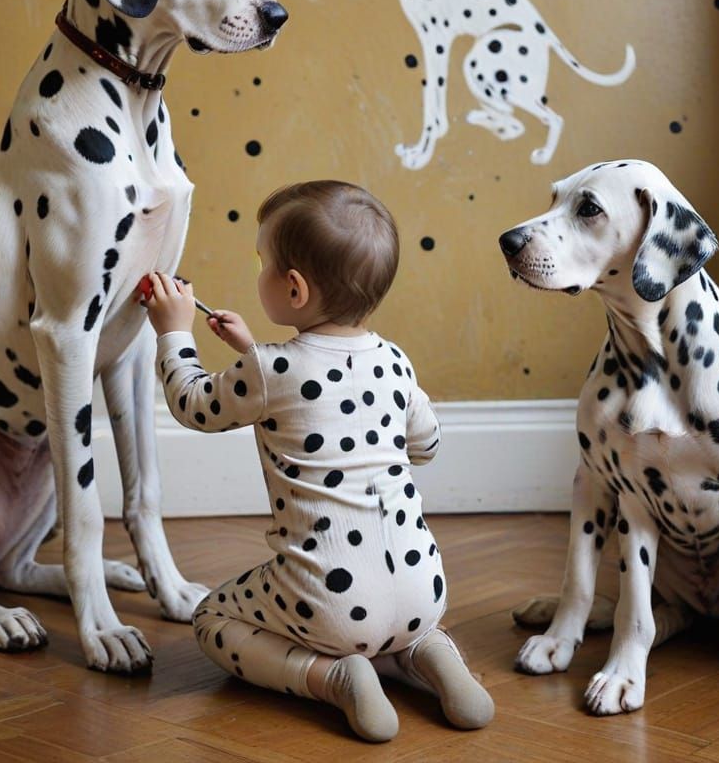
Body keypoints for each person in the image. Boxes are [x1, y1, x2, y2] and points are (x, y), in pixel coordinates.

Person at [143, 180, 494, 742]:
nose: (258, 275)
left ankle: (330, 676)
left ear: (295, 289)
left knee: (211, 617)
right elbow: (425, 446)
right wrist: (251, 351)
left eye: (263, 263)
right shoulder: (394, 362)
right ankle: (431, 653)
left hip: (327, 603)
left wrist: (174, 332)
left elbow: (193, 405)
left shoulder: (269, 371)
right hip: (422, 589)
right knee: (403, 613)